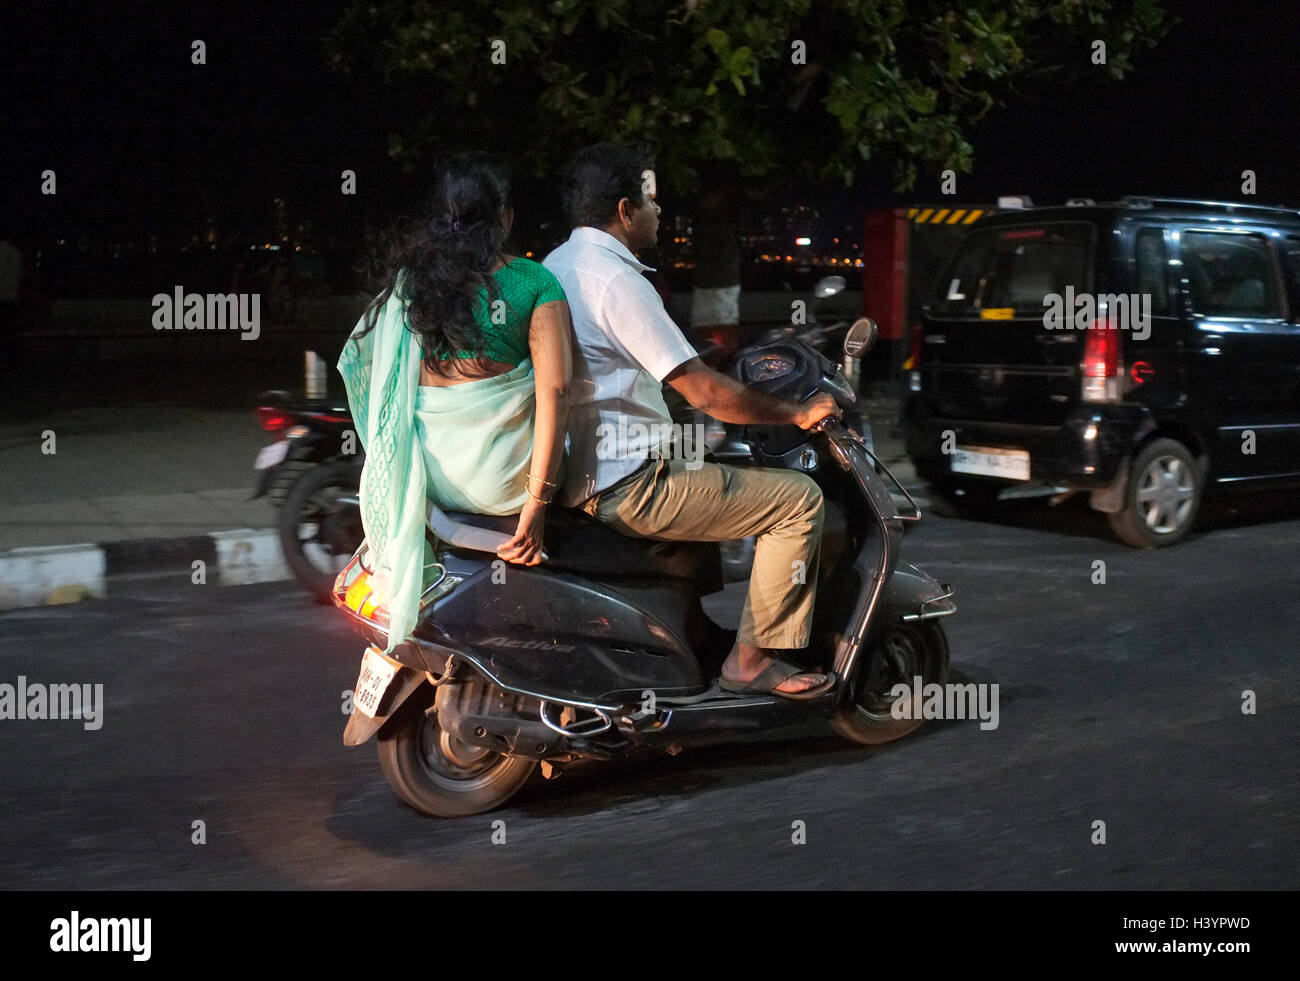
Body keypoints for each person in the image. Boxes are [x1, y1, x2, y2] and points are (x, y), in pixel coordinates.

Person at [543, 143, 840, 700]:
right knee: (797, 500)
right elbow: (704, 390)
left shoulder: (555, 266)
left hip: (580, 470)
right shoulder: (617, 282)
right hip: (628, 481)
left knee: (700, 467)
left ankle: (695, 637)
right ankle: (750, 663)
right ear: (627, 210)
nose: (661, 212)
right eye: (653, 202)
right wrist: (796, 412)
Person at [338, 152, 573, 653]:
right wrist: (536, 507)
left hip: (426, 481)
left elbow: (370, 377)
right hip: (503, 487)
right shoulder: (534, 282)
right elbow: (556, 391)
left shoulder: (407, 287)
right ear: (505, 216)